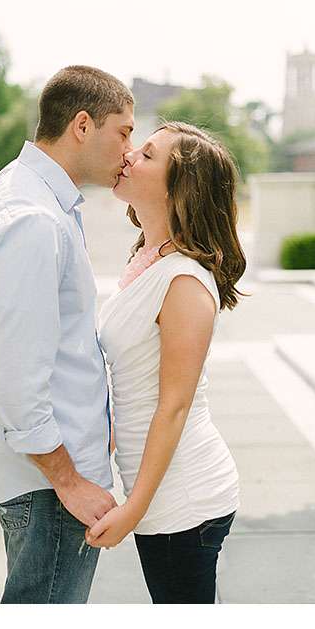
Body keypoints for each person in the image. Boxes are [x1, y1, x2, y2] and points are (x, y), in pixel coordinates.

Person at [0, 65, 135, 603]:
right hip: (48, 486)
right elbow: (16, 376)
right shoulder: (32, 216)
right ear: (82, 125)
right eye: (124, 131)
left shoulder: (32, 194)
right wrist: (68, 480)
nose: (129, 149)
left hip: (48, 475)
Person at [84, 122, 246, 604]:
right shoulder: (149, 259)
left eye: (148, 155)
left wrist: (134, 509)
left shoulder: (184, 283)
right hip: (157, 489)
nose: (129, 155)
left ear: (180, 189)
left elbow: (173, 407)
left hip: (183, 496)